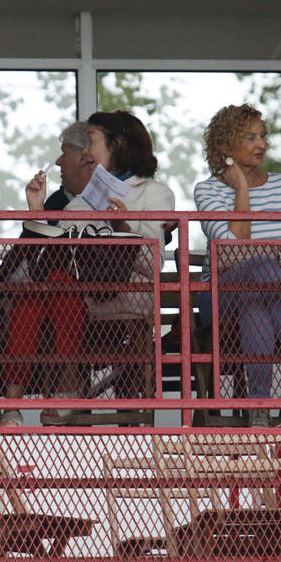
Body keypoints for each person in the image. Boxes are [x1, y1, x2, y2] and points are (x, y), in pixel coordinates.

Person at [194, 104, 281, 426]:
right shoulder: (208, 190)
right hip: (220, 296)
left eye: (263, 135)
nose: (261, 144)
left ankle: (258, 410)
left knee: (256, 302)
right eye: (250, 137)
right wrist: (242, 189)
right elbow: (235, 243)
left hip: (268, 295)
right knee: (260, 268)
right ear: (225, 146)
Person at [57, 110, 175, 417]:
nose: (86, 150)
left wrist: (123, 228)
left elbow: (153, 267)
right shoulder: (80, 201)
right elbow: (62, 258)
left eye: (92, 140)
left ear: (117, 143)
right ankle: (68, 404)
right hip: (82, 301)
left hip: (130, 300)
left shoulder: (155, 193)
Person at [0, 121, 94, 426]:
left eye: (64, 154)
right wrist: (36, 212)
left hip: (96, 293)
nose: (59, 162)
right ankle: (26, 399)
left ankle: (37, 395)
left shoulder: (114, 199)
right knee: (40, 288)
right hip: (50, 294)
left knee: (55, 284)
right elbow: (28, 252)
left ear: (86, 158)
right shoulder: (56, 200)